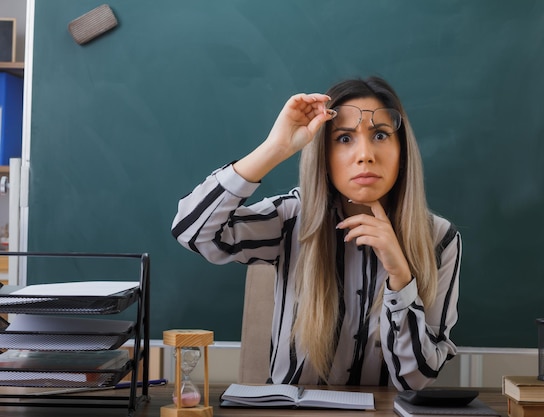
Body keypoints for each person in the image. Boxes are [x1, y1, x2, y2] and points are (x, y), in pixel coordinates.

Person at [171, 76, 461, 391]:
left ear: (402, 152)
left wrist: (400, 277)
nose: (365, 154)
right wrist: (275, 148)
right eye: (344, 138)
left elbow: (416, 379)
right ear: (323, 155)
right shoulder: (291, 218)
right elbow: (192, 232)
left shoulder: (439, 239)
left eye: (380, 134)